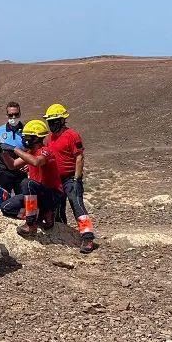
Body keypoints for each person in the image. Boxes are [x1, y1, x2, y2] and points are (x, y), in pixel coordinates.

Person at [44, 103, 96, 254]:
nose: (51, 125)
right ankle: (62, 234)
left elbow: (79, 157)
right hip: (55, 180)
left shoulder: (72, 136)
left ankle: (87, 237)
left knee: (77, 205)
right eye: (49, 122)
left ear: (62, 121)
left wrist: (76, 179)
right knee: (58, 207)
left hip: (70, 178)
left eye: (54, 121)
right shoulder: (50, 138)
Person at [0, 120, 64, 236]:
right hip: (36, 196)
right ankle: (41, 214)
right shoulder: (30, 152)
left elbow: (35, 162)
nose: (24, 139)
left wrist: (14, 149)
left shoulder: (45, 151)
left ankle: (31, 223)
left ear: (36, 138)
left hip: (52, 195)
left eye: (27, 136)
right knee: (6, 208)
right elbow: (12, 165)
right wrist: (4, 152)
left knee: (26, 183)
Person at [0, 102, 27, 195]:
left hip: (21, 172)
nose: (14, 117)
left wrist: (30, 166)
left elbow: (34, 150)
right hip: (3, 172)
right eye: (11, 115)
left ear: (20, 114)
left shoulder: (27, 131)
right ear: (7, 115)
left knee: (23, 200)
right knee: (2, 201)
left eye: (16, 114)